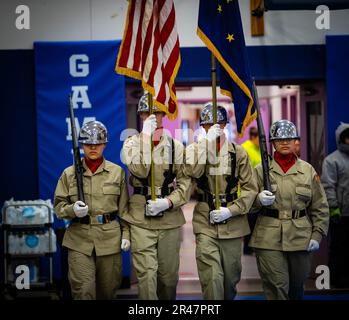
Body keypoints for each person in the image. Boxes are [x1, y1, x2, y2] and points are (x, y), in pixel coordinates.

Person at [184, 103, 258, 300]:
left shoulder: (238, 153)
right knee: (212, 278)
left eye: (218, 124)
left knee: (229, 281)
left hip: (233, 223)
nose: (213, 127)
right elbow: (194, 171)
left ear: (225, 125)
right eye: (208, 125)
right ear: (202, 127)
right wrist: (206, 145)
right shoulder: (193, 150)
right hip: (205, 222)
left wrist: (232, 210)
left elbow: (251, 189)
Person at [249, 120, 329, 300]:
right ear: (272, 143)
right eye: (279, 139)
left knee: (296, 287)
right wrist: (258, 199)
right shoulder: (261, 170)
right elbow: (247, 202)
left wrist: (317, 235)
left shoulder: (307, 170)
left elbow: (320, 206)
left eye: (289, 139)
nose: (284, 142)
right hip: (268, 236)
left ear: (296, 142)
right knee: (277, 286)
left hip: (300, 236)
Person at [121, 93, 191, 300]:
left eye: (157, 113)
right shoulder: (131, 144)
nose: (153, 117)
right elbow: (140, 171)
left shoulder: (176, 147)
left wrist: (168, 202)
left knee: (168, 278)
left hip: (168, 219)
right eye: (147, 113)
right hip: (140, 218)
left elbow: (186, 184)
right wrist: (145, 139)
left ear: (164, 115)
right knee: (147, 276)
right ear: (141, 115)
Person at [54, 120, 130, 300]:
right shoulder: (69, 173)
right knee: (83, 291)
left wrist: (126, 235)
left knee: (107, 292)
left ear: (104, 144)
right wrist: (73, 210)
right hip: (79, 239)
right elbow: (58, 207)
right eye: (88, 144)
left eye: (97, 144)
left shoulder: (117, 172)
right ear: (81, 145)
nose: (93, 148)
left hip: (109, 239)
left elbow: (124, 209)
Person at [321, 122, 349, 288]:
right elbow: (328, 185)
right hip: (341, 213)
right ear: (341, 139)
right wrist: (334, 207)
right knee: (339, 247)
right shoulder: (332, 160)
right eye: (347, 138)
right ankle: (337, 278)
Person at [241, 126, 261, 254]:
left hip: (258, 191)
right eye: (260, 138)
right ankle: (248, 248)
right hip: (248, 191)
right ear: (254, 137)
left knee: (255, 221)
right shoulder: (245, 149)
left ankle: (253, 246)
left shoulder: (258, 149)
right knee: (250, 222)